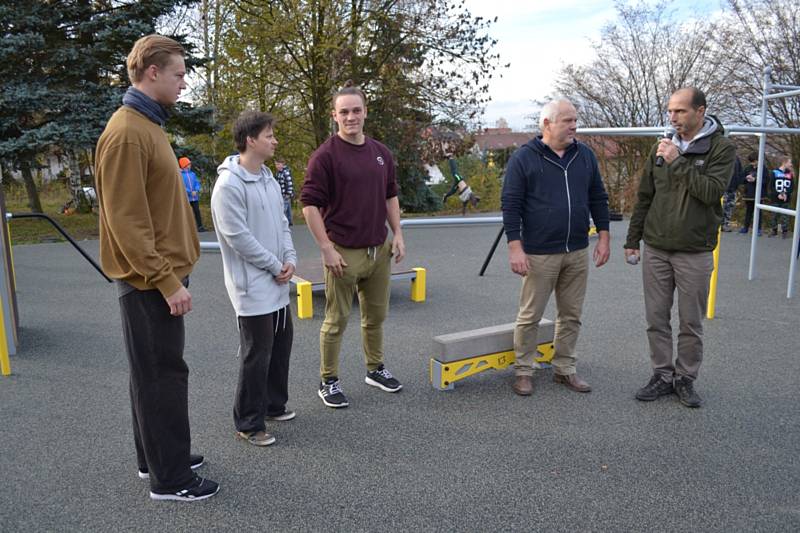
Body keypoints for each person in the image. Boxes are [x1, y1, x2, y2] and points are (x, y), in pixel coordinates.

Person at [94, 34, 219, 501]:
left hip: (156, 276)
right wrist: (167, 281)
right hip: (149, 280)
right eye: (179, 73)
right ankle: (172, 480)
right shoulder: (127, 132)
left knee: (152, 372)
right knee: (163, 374)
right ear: (152, 73)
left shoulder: (146, 124)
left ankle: (157, 458)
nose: (184, 82)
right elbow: (127, 222)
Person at [625, 87, 736, 408]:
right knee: (656, 318)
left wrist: (677, 162)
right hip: (657, 248)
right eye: (670, 111)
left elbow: (711, 190)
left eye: (680, 111)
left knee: (691, 322)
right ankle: (661, 374)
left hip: (695, 251)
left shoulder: (721, 148)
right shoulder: (660, 147)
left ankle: (685, 378)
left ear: (700, 111)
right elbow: (645, 195)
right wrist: (633, 240)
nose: (672, 117)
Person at [301, 81, 406, 409]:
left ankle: (375, 369)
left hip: (378, 251)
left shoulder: (381, 153)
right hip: (343, 252)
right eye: (344, 111)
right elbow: (309, 206)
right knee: (336, 320)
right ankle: (328, 379)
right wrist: (326, 248)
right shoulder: (325, 157)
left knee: (376, 317)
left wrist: (398, 234)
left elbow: (390, 195)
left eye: (356, 110)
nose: (351, 117)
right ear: (334, 115)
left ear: (365, 112)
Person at [501, 98, 610, 397]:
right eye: (567, 120)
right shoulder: (524, 158)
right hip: (539, 252)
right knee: (530, 316)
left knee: (571, 314)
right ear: (547, 124)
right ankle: (524, 370)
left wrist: (603, 236)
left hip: (576, 249)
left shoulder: (584, 155)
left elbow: (598, 197)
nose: (574, 125)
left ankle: (565, 368)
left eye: (575, 119)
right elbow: (511, 205)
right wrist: (515, 247)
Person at [211, 111, 297, 447]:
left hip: (277, 279)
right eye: (269, 135)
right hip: (252, 285)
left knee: (281, 343)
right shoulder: (228, 185)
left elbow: (283, 225)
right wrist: (275, 265)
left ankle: (274, 404)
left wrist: (289, 259)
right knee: (256, 352)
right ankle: (248, 421)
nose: (274, 140)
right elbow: (238, 237)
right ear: (250, 140)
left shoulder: (269, 180)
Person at [739, 151, 768, 235]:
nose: (752, 164)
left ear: (757, 160)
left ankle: (758, 229)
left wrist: (755, 180)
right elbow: (741, 179)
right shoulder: (747, 168)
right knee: (748, 211)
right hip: (749, 194)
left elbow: (765, 181)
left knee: (758, 212)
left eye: (753, 162)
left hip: (759, 195)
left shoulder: (763, 169)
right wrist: (746, 178)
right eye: (751, 162)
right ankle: (745, 228)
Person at [178, 157, 207, 232]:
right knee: (186, 213)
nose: (190, 165)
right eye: (188, 164)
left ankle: (200, 227)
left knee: (197, 211)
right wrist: (190, 192)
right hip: (187, 198)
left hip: (195, 197)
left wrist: (196, 190)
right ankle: (186, 228)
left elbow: (197, 183)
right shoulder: (180, 175)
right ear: (184, 165)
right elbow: (182, 186)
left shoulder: (193, 174)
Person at [768, 157, 794, 238]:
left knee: (785, 215)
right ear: (784, 162)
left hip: (786, 199)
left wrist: (786, 193)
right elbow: (771, 186)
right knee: (774, 215)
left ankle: (785, 231)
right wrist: (777, 194)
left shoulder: (790, 174)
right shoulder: (774, 172)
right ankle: (774, 230)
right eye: (789, 162)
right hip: (776, 198)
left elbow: (792, 187)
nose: (791, 164)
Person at [720, 156, 743, 232]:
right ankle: (718, 224)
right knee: (721, 206)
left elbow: (740, 172)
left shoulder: (736, 159)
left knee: (729, 206)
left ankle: (725, 224)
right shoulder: (722, 157)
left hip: (733, 187)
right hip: (723, 187)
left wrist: (738, 183)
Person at [274, 159, 295, 226]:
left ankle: (282, 222)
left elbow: (289, 183)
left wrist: (288, 194)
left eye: (279, 164)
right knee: (288, 208)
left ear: (283, 164)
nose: (277, 166)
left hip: (285, 194)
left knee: (283, 209)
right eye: (276, 164)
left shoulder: (286, 172)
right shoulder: (278, 173)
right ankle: (289, 221)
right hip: (281, 194)